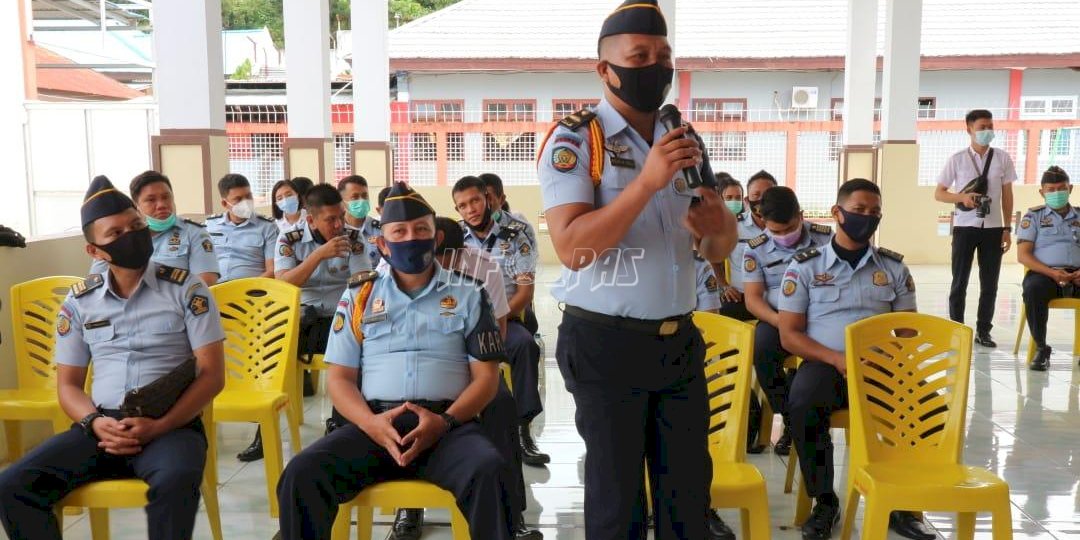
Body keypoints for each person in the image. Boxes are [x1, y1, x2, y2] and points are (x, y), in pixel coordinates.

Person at [536, 1, 737, 537]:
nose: (656, 66)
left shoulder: (681, 137)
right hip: (606, 343)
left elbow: (717, 248)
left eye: (664, 55)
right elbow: (572, 247)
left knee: (687, 495)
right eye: (640, 55)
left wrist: (719, 225)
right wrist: (647, 182)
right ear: (605, 70)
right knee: (617, 499)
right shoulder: (576, 140)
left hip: (679, 342)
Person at [275, 182, 514, 540]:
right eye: (399, 232)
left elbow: (486, 380)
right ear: (382, 244)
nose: (411, 238)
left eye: (421, 230)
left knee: (490, 470)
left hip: (447, 427)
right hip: (374, 426)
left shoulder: (470, 293)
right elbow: (339, 378)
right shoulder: (360, 294)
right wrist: (370, 424)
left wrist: (444, 422)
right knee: (301, 474)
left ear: (436, 239)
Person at [0, 176, 225, 540]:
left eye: (136, 226)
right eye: (116, 233)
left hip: (171, 426)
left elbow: (213, 375)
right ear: (95, 251)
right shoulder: (78, 303)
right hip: (101, 428)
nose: (131, 236)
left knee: (176, 482)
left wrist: (160, 425)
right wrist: (92, 421)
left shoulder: (187, 289)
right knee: (13, 486)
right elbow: (69, 386)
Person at [778, 178, 933, 540]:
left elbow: (907, 333)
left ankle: (901, 503)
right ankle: (824, 501)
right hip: (825, 364)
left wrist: (899, 365)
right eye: (859, 210)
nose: (867, 218)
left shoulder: (894, 268)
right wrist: (835, 359)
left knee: (926, 407)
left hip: (880, 366)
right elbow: (790, 334)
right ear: (837, 212)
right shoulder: (804, 267)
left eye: (874, 212)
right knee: (802, 403)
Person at [390, 217, 542, 540]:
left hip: (473, 368)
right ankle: (408, 510)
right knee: (402, 406)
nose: (437, 266)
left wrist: (470, 370)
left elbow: (497, 333)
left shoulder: (485, 268)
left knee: (500, 403)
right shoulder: (400, 269)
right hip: (422, 366)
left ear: (462, 253)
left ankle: (512, 516)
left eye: (446, 258)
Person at [237, 184, 371, 462]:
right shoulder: (289, 239)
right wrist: (318, 255)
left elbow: (363, 285)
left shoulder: (354, 238)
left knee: (363, 350)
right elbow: (284, 283)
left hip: (340, 317)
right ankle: (265, 430)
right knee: (269, 350)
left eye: (340, 217)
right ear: (311, 219)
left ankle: (340, 425)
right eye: (330, 219)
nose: (338, 225)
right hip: (302, 317)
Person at [452, 176, 549, 466]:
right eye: (462, 205)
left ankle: (523, 431)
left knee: (525, 346)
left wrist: (495, 318)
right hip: (462, 322)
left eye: (475, 201)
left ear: (489, 198)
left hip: (506, 316)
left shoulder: (516, 234)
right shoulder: (453, 238)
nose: (471, 209)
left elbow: (524, 292)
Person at [742, 186, 832, 456]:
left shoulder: (826, 240)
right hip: (777, 317)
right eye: (775, 232)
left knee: (823, 360)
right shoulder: (755, 249)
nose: (783, 237)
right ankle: (791, 418)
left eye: (788, 229)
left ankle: (807, 412)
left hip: (819, 317)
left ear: (801, 215)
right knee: (761, 348)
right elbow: (753, 299)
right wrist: (780, 321)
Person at [934, 109, 1017, 348]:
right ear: (969, 129)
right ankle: (957, 328)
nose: (987, 131)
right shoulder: (958, 159)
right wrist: (963, 197)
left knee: (990, 282)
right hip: (965, 227)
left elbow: (1007, 196)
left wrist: (1006, 227)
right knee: (959, 281)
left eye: (990, 126)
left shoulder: (1002, 158)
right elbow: (939, 193)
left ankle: (984, 331)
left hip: (992, 228)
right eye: (982, 127)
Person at [90, 171, 219, 286]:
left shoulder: (194, 233)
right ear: (136, 207)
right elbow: (96, 281)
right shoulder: (122, 237)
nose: (162, 205)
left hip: (177, 308)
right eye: (151, 200)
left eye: (166, 197)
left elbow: (205, 283)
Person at [1017, 166, 1079, 371]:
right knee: (1033, 289)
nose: (1056, 193)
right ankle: (1042, 349)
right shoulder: (1033, 217)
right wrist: (1053, 273)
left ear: (1070, 188)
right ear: (1042, 192)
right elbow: (1023, 255)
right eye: (1051, 189)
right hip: (1045, 274)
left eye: (1061, 188)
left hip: (1077, 274)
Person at [722, 170, 778, 321]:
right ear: (747, 200)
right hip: (740, 298)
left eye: (767, 195)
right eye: (756, 195)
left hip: (777, 299)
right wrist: (724, 285)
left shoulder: (786, 226)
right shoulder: (733, 225)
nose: (762, 200)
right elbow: (715, 257)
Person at [205, 174, 279, 282]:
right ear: (225, 203)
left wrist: (244, 289)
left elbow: (272, 271)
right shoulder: (210, 225)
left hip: (250, 292)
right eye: (238, 199)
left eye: (248, 196)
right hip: (213, 290)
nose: (246, 202)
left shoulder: (268, 227)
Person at [338, 175, 383, 268]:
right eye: (355, 197)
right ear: (342, 202)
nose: (362, 201)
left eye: (364, 196)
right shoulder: (336, 230)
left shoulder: (381, 230)